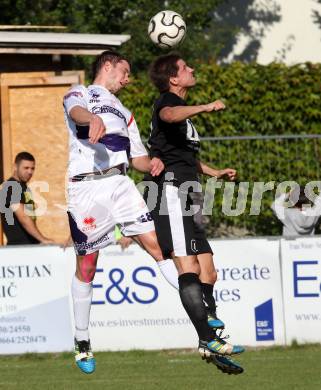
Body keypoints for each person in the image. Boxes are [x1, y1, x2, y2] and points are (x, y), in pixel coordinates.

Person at [63, 50, 242, 376]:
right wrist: (93, 118)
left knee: (159, 246)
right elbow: (76, 113)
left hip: (119, 183)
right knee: (88, 266)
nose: (128, 78)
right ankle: (82, 340)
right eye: (125, 71)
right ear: (107, 65)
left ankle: (205, 328)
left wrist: (153, 164)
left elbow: (138, 159)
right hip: (85, 188)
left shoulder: (126, 112)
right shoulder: (81, 94)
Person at [144, 53, 244, 362]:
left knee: (208, 270)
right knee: (187, 266)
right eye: (186, 67)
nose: (193, 69)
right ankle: (207, 338)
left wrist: (216, 172)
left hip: (187, 193)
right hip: (169, 192)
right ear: (174, 79)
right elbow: (169, 115)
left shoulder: (182, 115)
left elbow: (186, 156)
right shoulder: (167, 102)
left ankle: (209, 330)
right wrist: (205, 107)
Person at [0, 151, 54, 245]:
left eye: (32, 168)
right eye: (26, 168)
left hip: (29, 246)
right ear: (15, 167)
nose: (30, 172)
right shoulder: (11, 187)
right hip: (19, 248)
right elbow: (23, 217)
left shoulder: (23, 188)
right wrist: (42, 239)